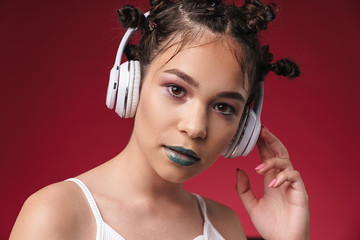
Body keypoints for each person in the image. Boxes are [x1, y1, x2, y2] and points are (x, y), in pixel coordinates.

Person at [10, 0, 309, 239]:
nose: (195, 128)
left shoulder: (224, 226)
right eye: (176, 89)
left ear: (244, 128)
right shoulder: (56, 213)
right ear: (132, 84)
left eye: (223, 107)